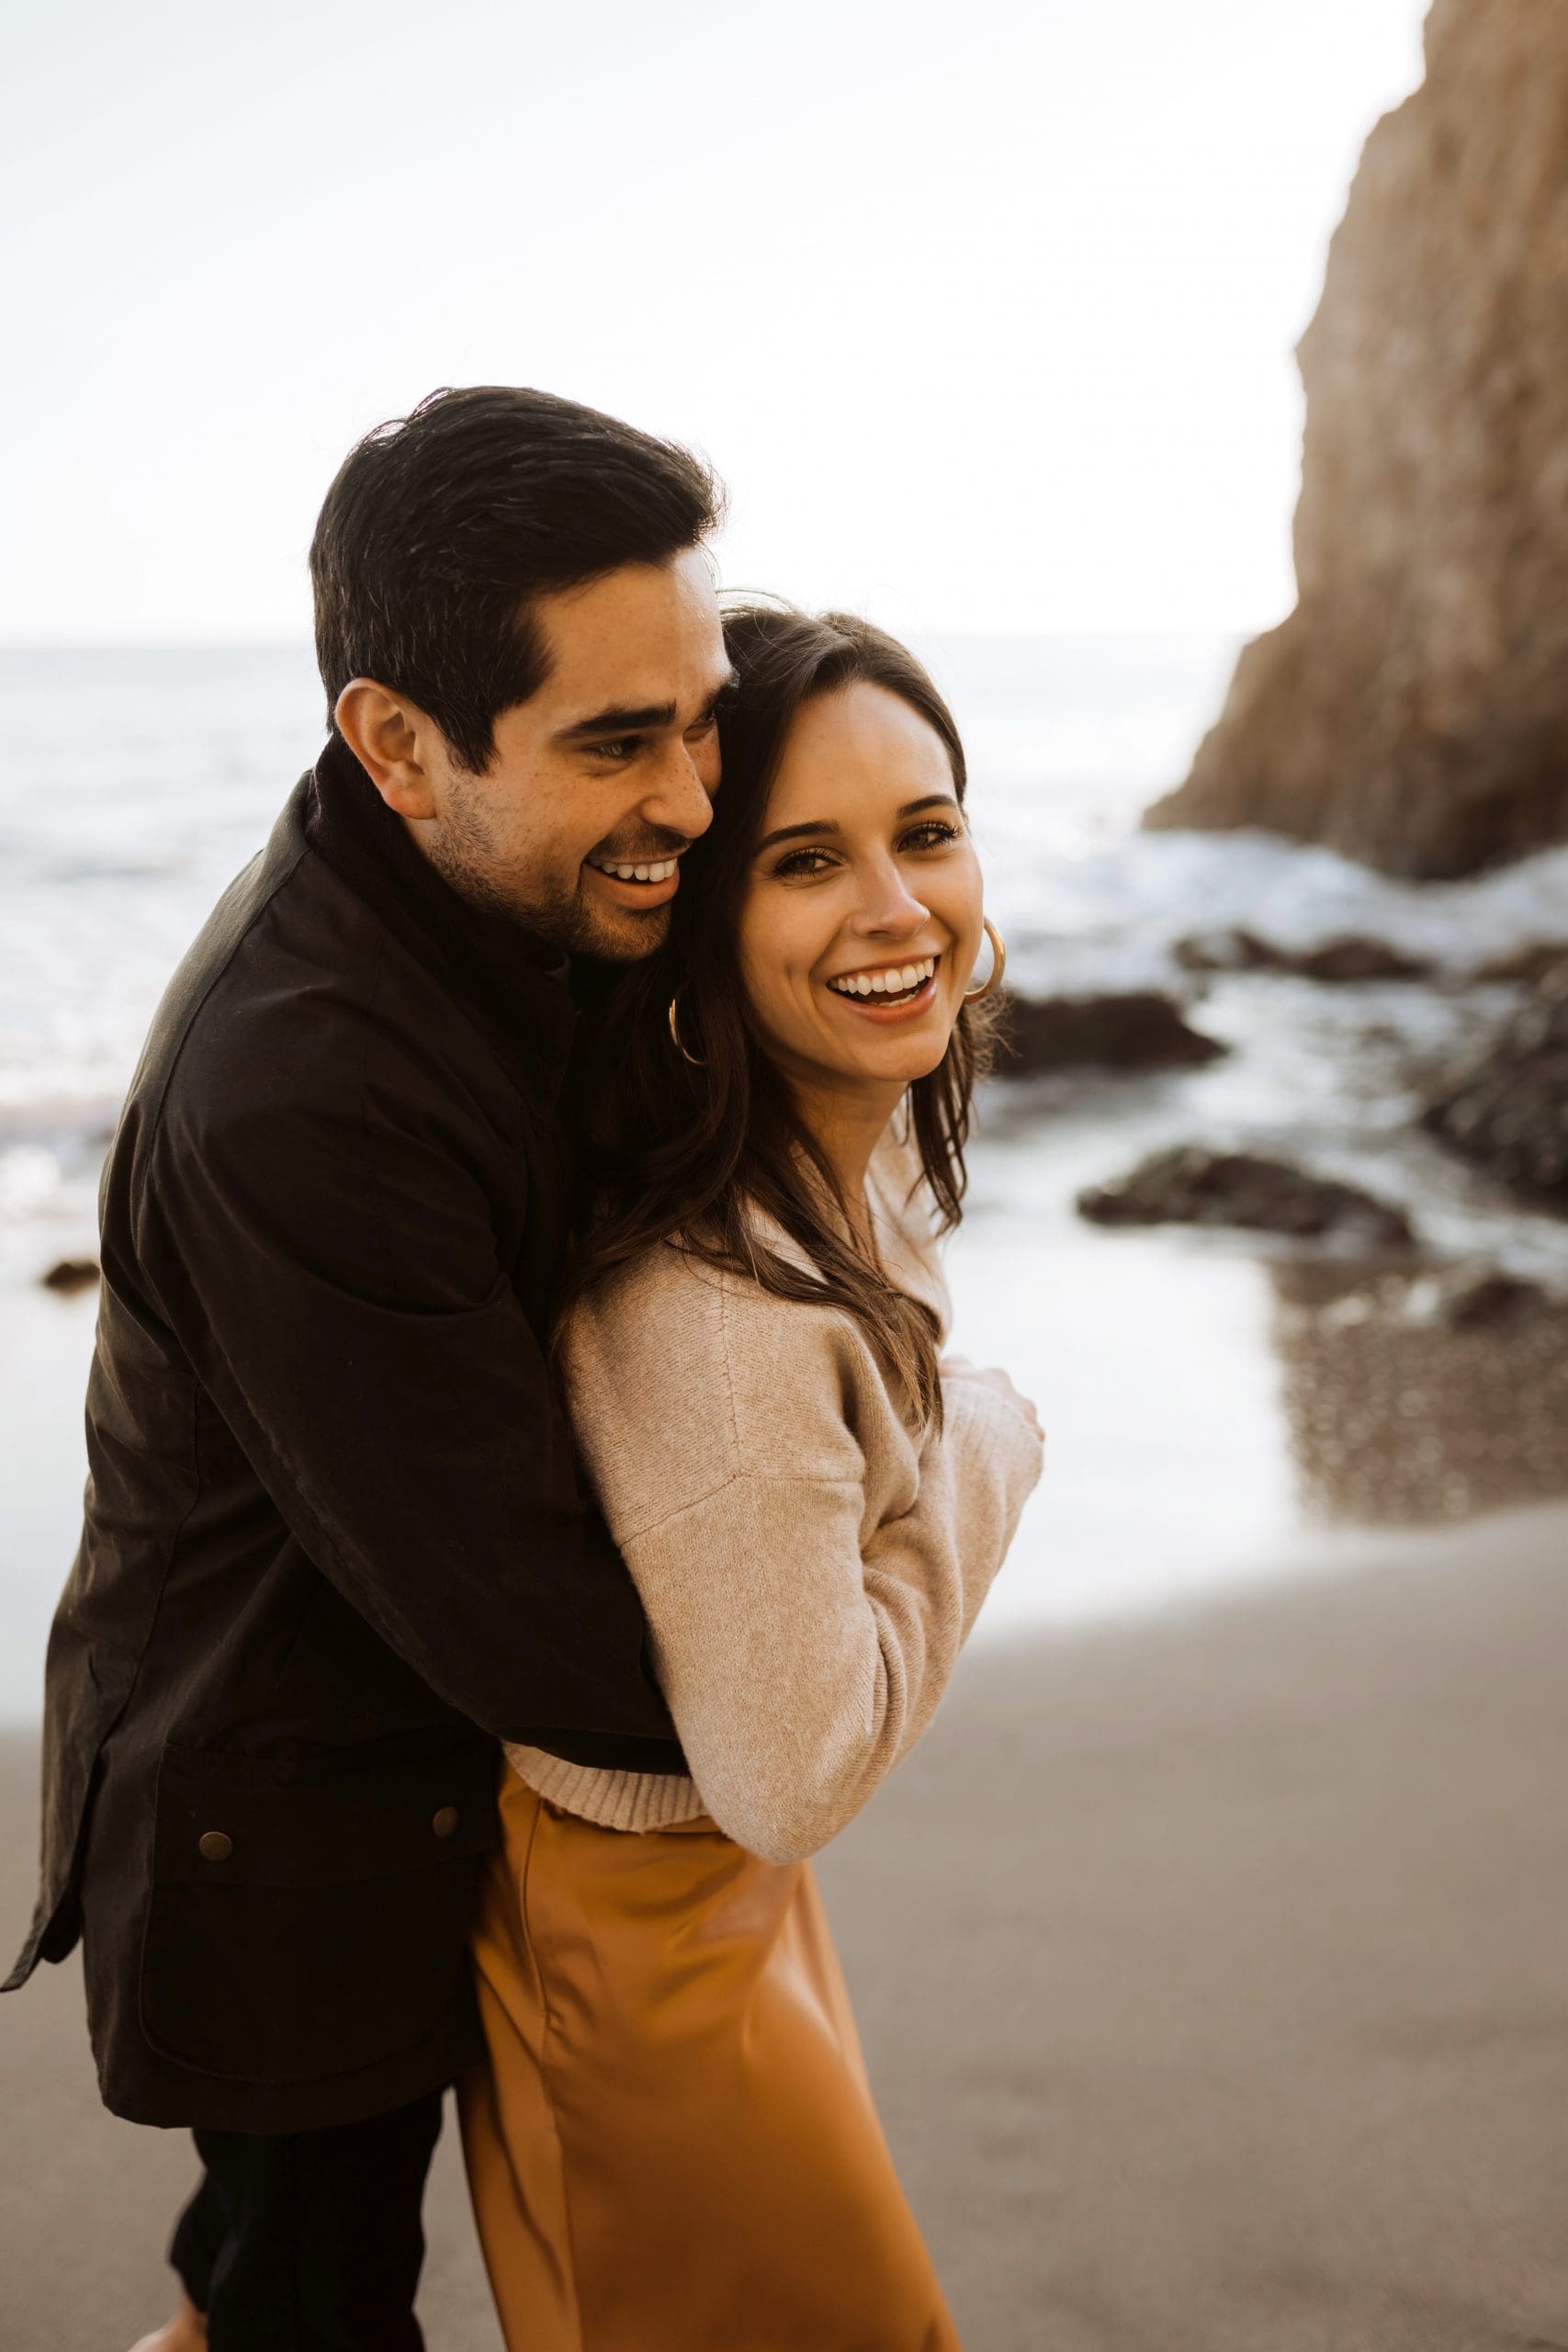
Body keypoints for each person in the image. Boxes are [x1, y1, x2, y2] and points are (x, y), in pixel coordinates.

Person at [5, 384, 737, 2352]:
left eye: (704, 716)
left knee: (260, 2278)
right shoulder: (302, 1094)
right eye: (617, 741)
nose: (691, 797)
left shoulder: (489, 877)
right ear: (397, 744)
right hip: (275, 1823)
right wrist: (835, 1652)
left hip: (384, 1762)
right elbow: (528, 1619)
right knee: (312, 2302)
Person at [459, 604, 1045, 2349]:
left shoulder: (839, 1173)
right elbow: (791, 1769)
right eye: (805, 861)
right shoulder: (720, 1313)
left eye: (926, 833)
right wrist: (989, 1452)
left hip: (705, 1894)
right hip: (633, 1940)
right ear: (704, 920)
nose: (896, 907)